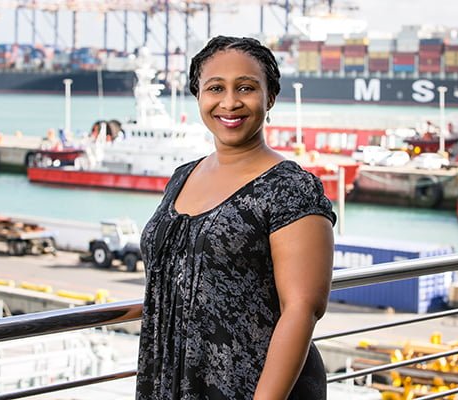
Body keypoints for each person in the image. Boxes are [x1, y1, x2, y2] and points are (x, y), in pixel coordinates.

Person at [136, 36, 336, 400]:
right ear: (198, 95)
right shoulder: (182, 176)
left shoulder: (290, 187)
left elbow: (303, 308)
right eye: (216, 88)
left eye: (246, 88)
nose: (229, 102)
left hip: (258, 388)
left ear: (270, 97)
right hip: (174, 382)